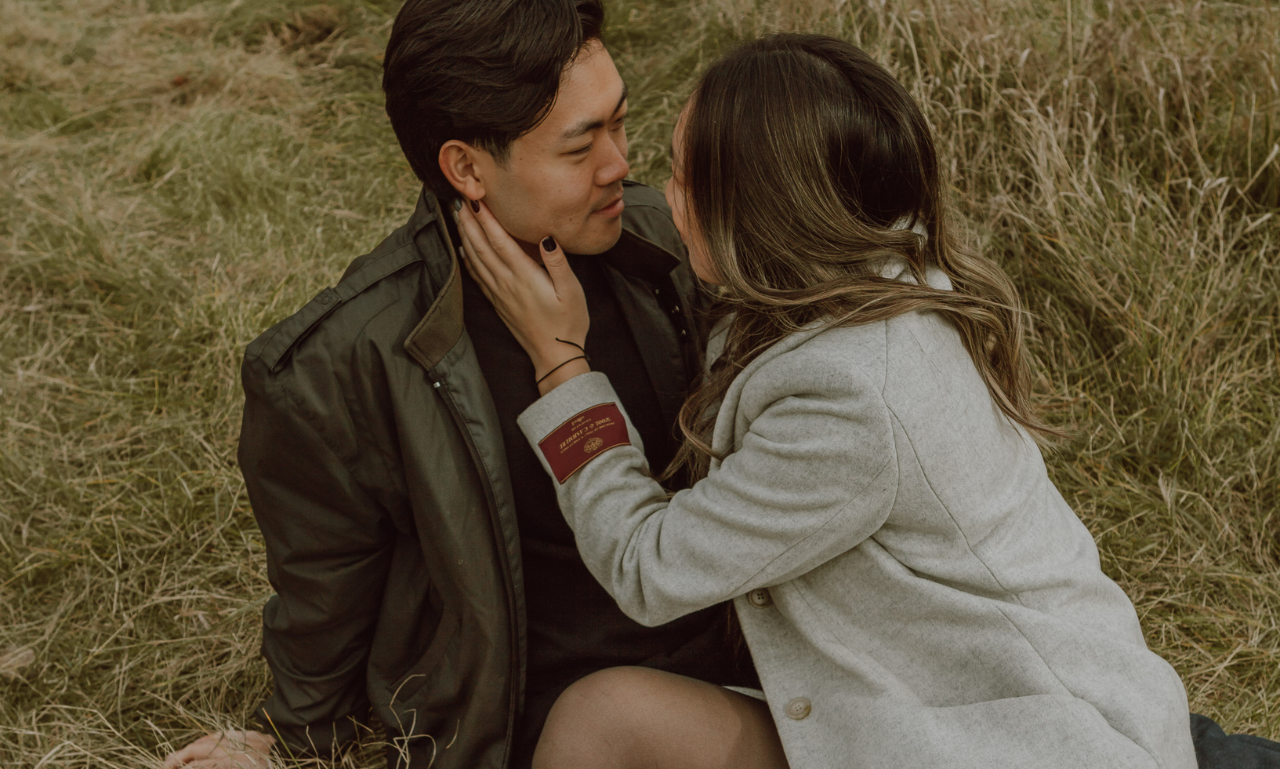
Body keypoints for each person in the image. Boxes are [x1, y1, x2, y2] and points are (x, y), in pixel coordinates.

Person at [455, 33, 1280, 769]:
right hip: (922, 708)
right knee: (602, 720)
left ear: (760, 212)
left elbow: (649, 567)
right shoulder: (870, 278)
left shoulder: (848, 397)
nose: (659, 194)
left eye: (682, 175)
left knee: (602, 722)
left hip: (1018, 743)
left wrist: (562, 364)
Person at [162, 1, 758, 768]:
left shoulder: (677, 247)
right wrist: (294, 737)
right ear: (468, 168)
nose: (619, 163)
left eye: (619, 122)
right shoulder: (343, 363)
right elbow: (327, 586)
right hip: (545, 725)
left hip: (747, 679)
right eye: (581, 146)